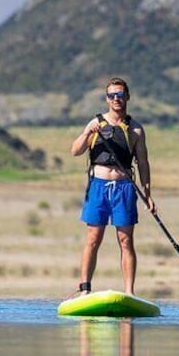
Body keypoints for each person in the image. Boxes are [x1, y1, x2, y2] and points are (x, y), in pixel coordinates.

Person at [70, 77, 155, 296]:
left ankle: (129, 292)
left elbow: (143, 163)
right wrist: (89, 132)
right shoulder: (96, 123)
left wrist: (148, 194)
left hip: (124, 188)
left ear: (127, 97)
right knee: (93, 238)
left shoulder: (135, 130)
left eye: (120, 95)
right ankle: (84, 289)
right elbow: (75, 150)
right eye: (112, 95)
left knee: (126, 240)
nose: (116, 99)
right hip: (98, 187)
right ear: (107, 99)